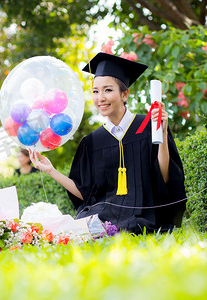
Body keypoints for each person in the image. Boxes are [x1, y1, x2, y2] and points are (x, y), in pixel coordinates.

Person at [29, 52, 186, 234]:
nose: (100, 98)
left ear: (124, 94)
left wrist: (163, 132)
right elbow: (85, 193)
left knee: (135, 227)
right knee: (81, 226)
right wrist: (51, 171)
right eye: (95, 91)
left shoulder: (149, 127)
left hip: (143, 215)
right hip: (105, 217)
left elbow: (164, 177)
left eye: (108, 90)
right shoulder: (92, 142)